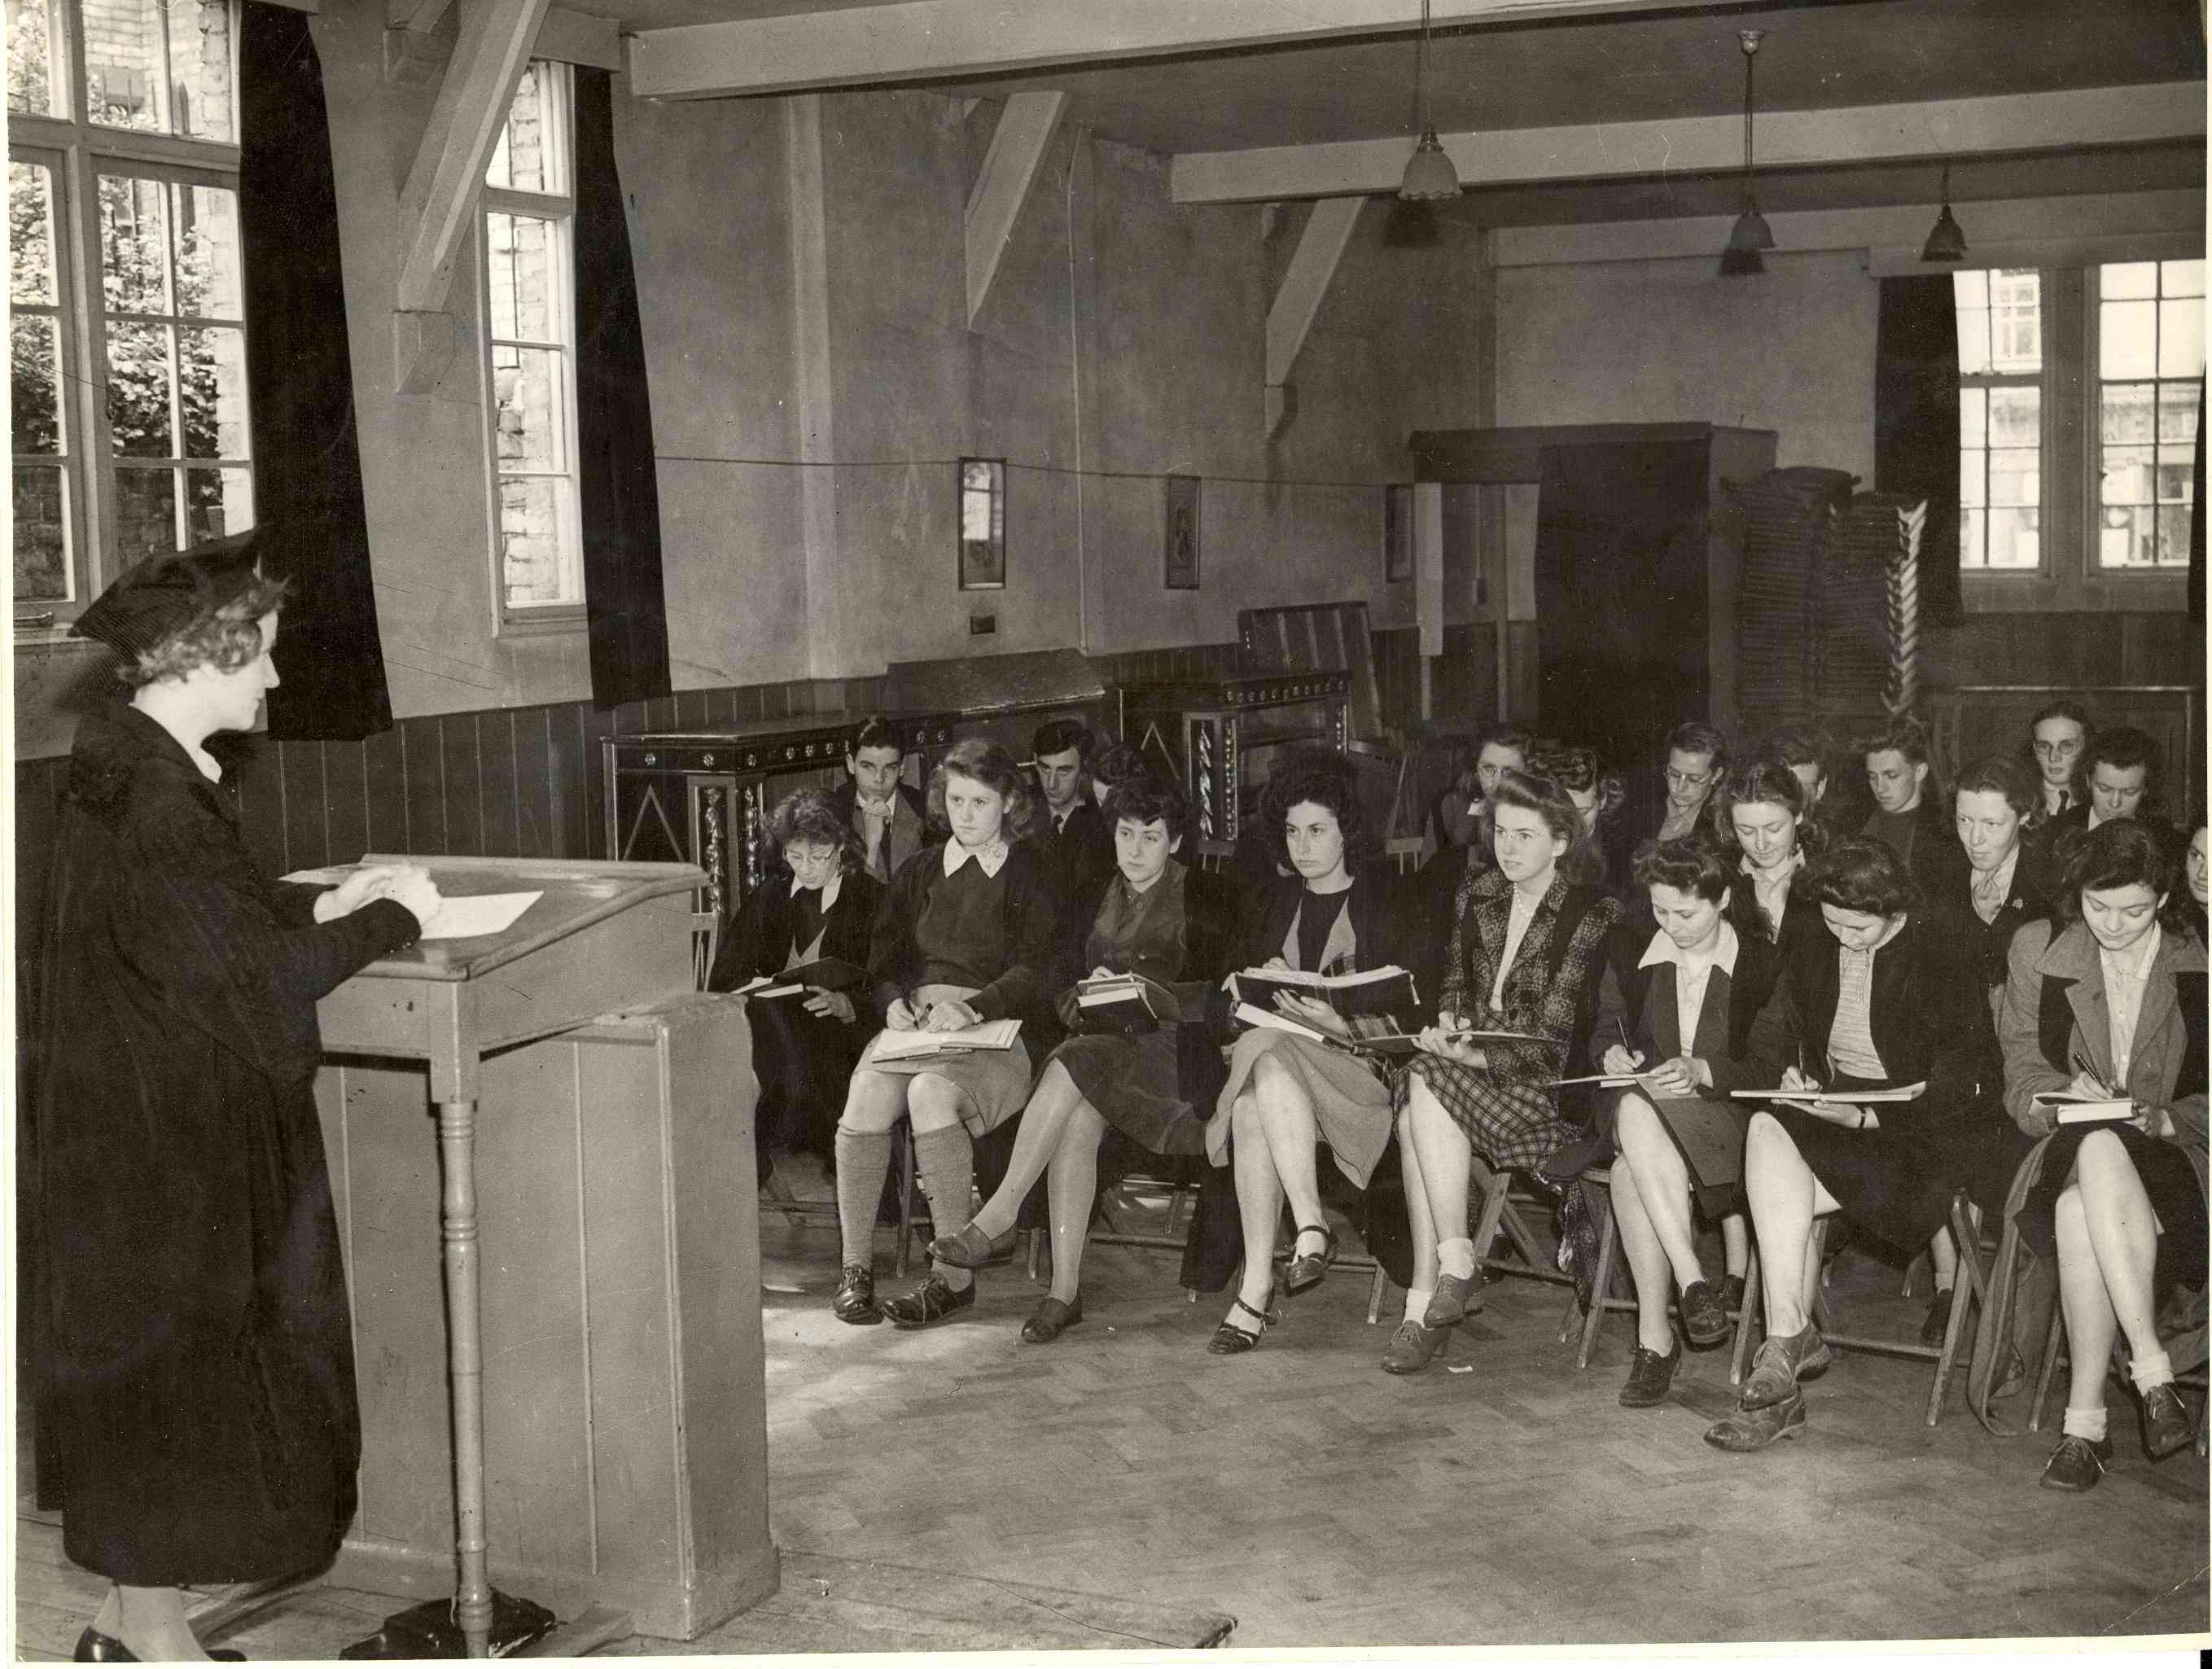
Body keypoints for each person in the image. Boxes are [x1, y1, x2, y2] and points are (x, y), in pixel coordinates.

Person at [33, 542, 441, 1663]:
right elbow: (255, 983)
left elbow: (196, 929)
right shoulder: (160, 796)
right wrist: (393, 915)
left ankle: (125, 1624)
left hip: (129, 1135)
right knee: (185, 1384)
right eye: (257, 657)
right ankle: (161, 1642)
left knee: (162, 1382)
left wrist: (313, 900)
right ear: (203, 657)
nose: (270, 682)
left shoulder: (125, 761)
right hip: (173, 1148)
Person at [1703, 838, 2029, 1452]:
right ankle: (1785, 1340)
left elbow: (1969, 1077)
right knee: (1768, 1126)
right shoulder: (1814, 936)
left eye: (1859, 926)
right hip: (1835, 1108)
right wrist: (1789, 1075)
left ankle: (1782, 1359)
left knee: (1781, 1188)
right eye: (1832, 922)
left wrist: (1869, 1119)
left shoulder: (1940, 947)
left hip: (1913, 1126)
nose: (1843, 936)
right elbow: (1778, 1030)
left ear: (1893, 909)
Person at [927, 778, 1243, 1341]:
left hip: (1174, 1058)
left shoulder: (1211, 897)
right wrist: (1089, 992)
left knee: (1073, 1062)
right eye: (1125, 834)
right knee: (1075, 1114)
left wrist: (1152, 991)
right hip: (1106, 1044)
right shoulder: (1092, 890)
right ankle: (1062, 1292)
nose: (1135, 849)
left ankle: (999, 1216)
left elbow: (1225, 1001)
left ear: (1174, 843)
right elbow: (1057, 981)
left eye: (1151, 837)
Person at [1388, 769, 1623, 1374]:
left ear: (1562, 842)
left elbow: (1556, 1039)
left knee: (1421, 1088)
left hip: (1544, 1092)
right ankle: (1447, 1272)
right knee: (1422, 1088)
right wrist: (1447, 1021)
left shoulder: (1591, 912)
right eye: (1500, 832)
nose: (1507, 847)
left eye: (1525, 835)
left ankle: (1439, 1284)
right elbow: (1454, 982)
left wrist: (1470, 1055)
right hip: (1469, 1080)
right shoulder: (1478, 892)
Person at [1997, 820, 2205, 1491]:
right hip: (2067, 1139)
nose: (2112, 925)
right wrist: (2060, 1089)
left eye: (2134, 910)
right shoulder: (2038, 948)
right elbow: (2021, 1074)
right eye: (2096, 906)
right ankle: (2152, 1373)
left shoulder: (2198, 953)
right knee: (2096, 1145)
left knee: (2077, 1207)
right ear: (2075, 895)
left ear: (2165, 897)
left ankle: (2083, 1427)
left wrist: (2166, 1118)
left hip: (2178, 1156)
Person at [830, 739, 1061, 1329]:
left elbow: (1040, 968)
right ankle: (856, 1270)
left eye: (979, 802)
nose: (965, 814)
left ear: (1008, 802)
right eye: (955, 800)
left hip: (997, 1035)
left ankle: (952, 1279)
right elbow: (883, 960)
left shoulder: (1032, 872)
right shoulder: (921, 870)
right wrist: (891, 1004)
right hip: (920, 1030)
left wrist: (977, 1006)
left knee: (928, 1094)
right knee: (862, 1100)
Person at [1206, 760, 1412, 1356]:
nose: (1303, 846)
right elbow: (1229, 1012)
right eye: (1293, 832)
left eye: (1317, 830)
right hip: (1282, 1082)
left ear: (1346, 831)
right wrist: (1247, 988)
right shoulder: (1270, 904)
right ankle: (1287, 1252)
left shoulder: (1386, 902)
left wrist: (1338, 1021)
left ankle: (1271, 1273)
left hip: (1360, 1075)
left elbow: (1408, 1016)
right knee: (1256, 1086)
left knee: (1260, 1068)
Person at [1597, 838, 1786, 1407]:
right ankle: (1692, 1286)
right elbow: (1605, 1025)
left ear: (1724, 897)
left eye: (1686, 912)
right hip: (1650, 1125)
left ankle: (1657, 1339)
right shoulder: (1632, 951)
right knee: (1634, 1109)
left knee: (1628, 1170)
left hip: (1729, 1125)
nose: (1671, 926)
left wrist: (1704, 1068)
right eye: (1659, 910)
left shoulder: (1762, 963)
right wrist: (1609, 1053)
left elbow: (1772, 1064)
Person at [707, 786, 884, 1184]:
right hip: (772, 1033)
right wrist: (758, 986)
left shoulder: (869, 899)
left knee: (760, 1077)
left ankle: (747, 1166)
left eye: (818, 857)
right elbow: (726, 975)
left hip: (840, 1036)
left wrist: (849, 1003)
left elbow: (890, 977)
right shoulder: (771, 896)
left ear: (841, 848)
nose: (806, 868)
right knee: (762, 1025)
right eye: (795, 855)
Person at [1858, 714, 1966, 904]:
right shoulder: (1851, 823)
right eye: (1873, 777)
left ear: (1920, 772)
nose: (1880, 788)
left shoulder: (1947, 832)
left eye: (1891, 776)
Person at [2035, 725, 2173, 866]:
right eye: (2104, 789)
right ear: (2088, 780)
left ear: (2146, 789)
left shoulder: (2164, 840)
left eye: (2129, 792)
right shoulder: (2054, 834)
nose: (2115, 803)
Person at [1028, 717, 1116, 934]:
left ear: (1084, 767)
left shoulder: (1103, 823)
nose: (1051, 783)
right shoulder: (1020, 815)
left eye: (1064, 771)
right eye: (1044, 768)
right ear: (1034, 761)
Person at [834, 716, 926, 885]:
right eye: (868, 766)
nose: (879, 779)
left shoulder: (923, 808)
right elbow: (847, 903)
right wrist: (871, 844)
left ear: (902, 768)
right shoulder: (834, 815)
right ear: (850, 764)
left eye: (890, 768)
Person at [1528, 743, 1627, 894]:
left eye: (1583, 811)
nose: (1574, 823)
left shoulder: (1622, 851)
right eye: (1564, 812)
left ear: (1603, 799)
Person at [1432, 721, 1531, 854]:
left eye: (1508, 771)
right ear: (1476, 770)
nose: (1497, 781)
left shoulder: (1542, 813)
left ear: (1528, 771)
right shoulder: (1451, 806)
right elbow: (1429, 871)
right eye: (1488, 768)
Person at [2022, 699, 2093, 831]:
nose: (2053, 757)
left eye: (2066, 745)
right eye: (2044, 746)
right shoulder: (2019, 801)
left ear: (2086, 747)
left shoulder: (2100, 799)